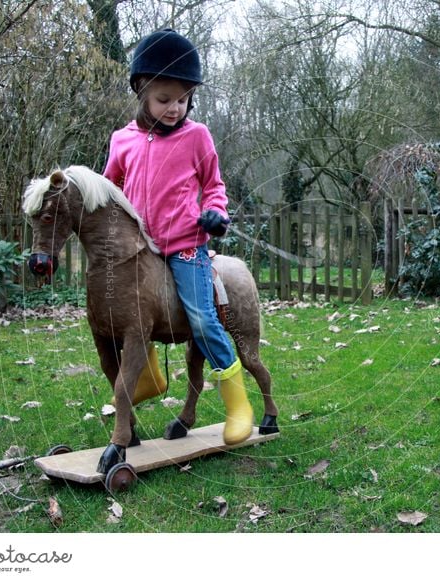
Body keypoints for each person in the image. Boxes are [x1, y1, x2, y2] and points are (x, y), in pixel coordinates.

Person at [103, 29, 253, 445]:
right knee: (127, 317)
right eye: (163, 99)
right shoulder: (122, 141)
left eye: (182, 99)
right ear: (142, 92)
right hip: (141, 251)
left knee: (203, 321)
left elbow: (216, 186)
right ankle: (149, 379)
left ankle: (238, 403)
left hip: (187, 247)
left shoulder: (197, 137)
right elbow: (109, 189)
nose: (174, 108)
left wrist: (216, 214)